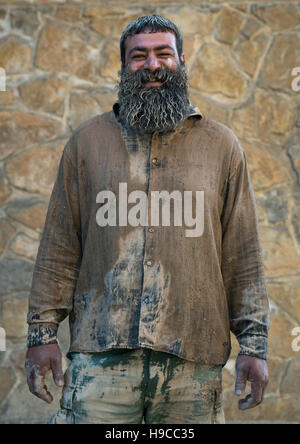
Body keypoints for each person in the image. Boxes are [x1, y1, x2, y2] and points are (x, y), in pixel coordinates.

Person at [25, 15, 270, 424]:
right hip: (101, 359)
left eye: (163, 53)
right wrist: (41, 335)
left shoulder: (222, 146)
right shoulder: (87, 143)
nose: (152, 64)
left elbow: (242, 254)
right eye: (138, 56)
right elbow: (59, 247)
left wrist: (254, 344)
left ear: (181, 61)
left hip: (192, 363)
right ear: (123, 67)